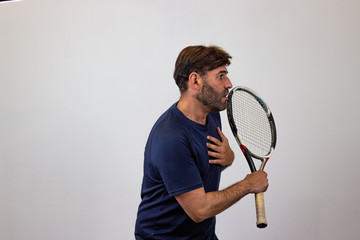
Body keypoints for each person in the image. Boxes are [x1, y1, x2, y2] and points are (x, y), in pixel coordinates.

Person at [135, 45, 269, 240]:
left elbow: (192, 172)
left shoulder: (212, 115)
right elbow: (199, 209)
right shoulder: (171, 137)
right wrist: (247, 185)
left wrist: (228, 159)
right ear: (195, 80)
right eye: (220, 76)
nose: (229, 83)